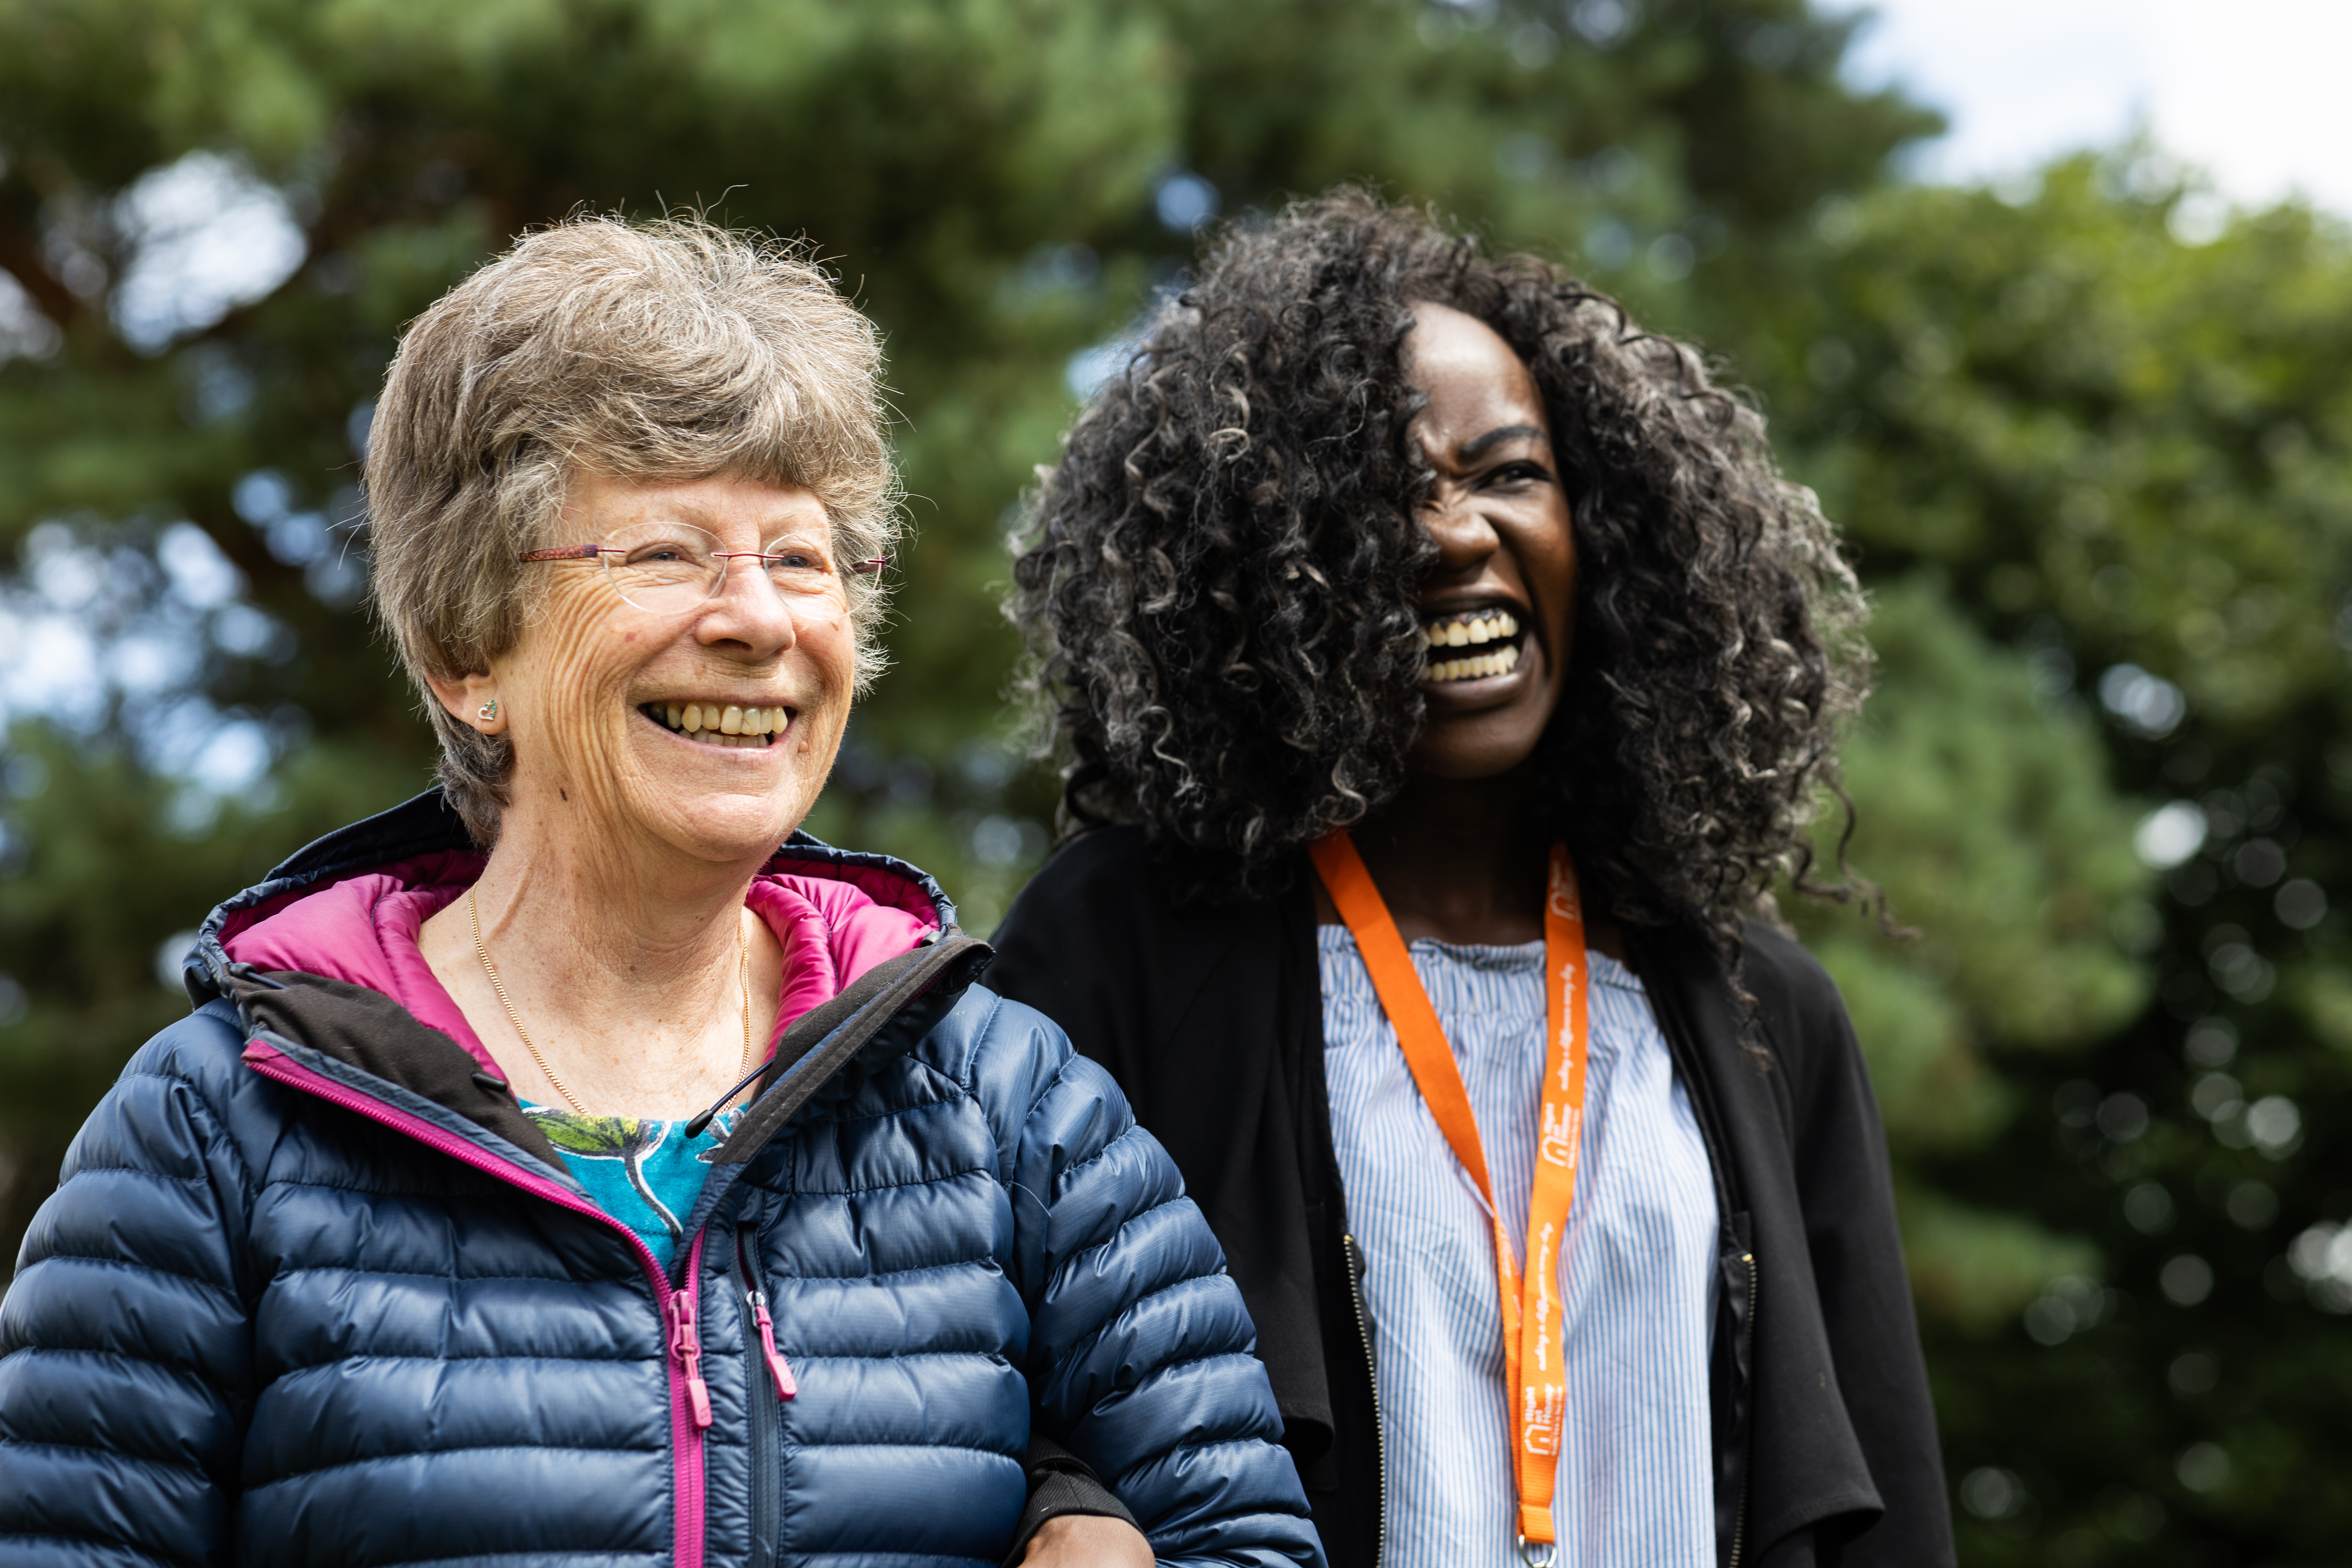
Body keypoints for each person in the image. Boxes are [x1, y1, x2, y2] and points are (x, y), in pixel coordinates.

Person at [0, 216, 1322, 1568]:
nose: (759, 620)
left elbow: (1246, 1539)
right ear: (467, 651)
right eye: (665, 554)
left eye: (804, 558)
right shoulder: (214, 1131)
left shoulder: (1008, 1102)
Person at [988, 191, 1955, 1568]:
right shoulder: (1123, 945)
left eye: (1509, 473)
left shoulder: (1761, 1009)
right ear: (1258, 567)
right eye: (1380, 495)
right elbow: (981, 1385)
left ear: (1609, 529)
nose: (1453, 535)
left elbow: (1887, 1503)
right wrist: (1065, 1504)